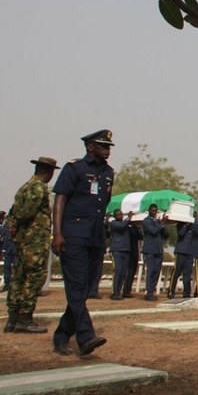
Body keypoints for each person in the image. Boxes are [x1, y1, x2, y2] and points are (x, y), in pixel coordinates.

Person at [51, 130, 115, 357]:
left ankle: (61, 336)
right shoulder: (74, 168)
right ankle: (86, 336)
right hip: (74, 234)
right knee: (76, 287)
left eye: (109, 147)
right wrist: (57, 233)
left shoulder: (108, 172)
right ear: (90, 147)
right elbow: (60, 200)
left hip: (96, 237)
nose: (108, 150)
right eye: (103, 146)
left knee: (86, 289)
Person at [5, 156, 58, 334]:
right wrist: (18, 222)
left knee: (19, 277)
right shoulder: (38, 187)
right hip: (34, 240)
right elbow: (27, 212)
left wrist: (13, 226)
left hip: (22, 240)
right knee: (35, 276)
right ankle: (25, 318)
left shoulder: (24, 187)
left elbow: (12, 212)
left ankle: (12, 319)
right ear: (49, 172)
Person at [141, 203, 168, 301]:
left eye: (156, 211)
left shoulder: (158, 222)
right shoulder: (146, 221)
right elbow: (153, 231)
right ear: (149, 211)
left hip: (158, 249)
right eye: (153, 210)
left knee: (157, 271)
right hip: (150, 250)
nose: (155, 212)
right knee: (150, 271)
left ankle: (152, 290)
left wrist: (163, 224)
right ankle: (149, 292)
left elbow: (166, 235)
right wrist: (162, 224)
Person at [107, 209, 134, 300]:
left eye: (121, 214)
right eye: (118, 215)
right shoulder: (113, 223)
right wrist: (129, 217)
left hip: (126, 250)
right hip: (116, 250)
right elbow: (122, 226)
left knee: (123, 273)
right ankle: (114, 292)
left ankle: (119, 292)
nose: (120, 216)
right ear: (114, 216)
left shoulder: (126, 223)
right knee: (118, 270)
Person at [167, 219, 193, 299]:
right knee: (176, 272)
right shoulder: (181, 224)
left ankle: (186, 293)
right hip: (180, 251)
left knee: (187, 274)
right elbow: (181, 233)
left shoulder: (194, 225)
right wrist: (187, 224)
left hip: (190, 252)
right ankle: (171, 291)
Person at [123, 214, 142, 298]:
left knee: (132, 272)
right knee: (128, 272)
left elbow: (141, 236)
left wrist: (138, 228)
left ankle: (128, 290)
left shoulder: (135, 227)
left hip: (134, 251)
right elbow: (134, 235)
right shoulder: (128, 226)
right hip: (128, 251)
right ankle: (125, 291)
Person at [1, 211, 15, 292]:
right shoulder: (5, 227)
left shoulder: (19, 226)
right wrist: (3, 250)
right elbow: (4, 239)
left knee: (17, 267)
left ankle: (16, 284)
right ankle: (7, 284)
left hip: (16, 250)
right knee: (7, 267)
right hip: (8, 250)